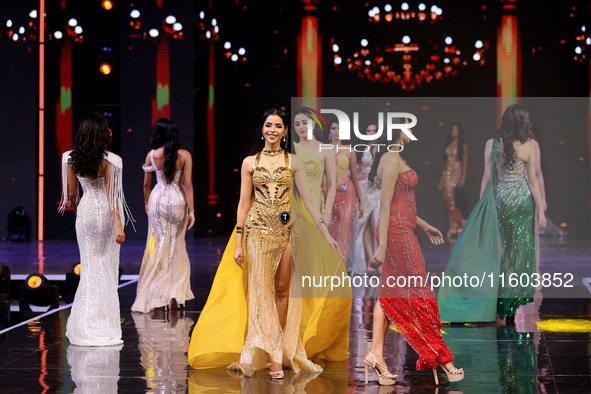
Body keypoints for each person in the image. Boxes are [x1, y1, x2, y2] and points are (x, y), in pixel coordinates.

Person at [188, 109, 348, 380]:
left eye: (278, 126)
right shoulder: (250, 162)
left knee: (283, 290)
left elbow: (309, 201)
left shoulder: (293, 162)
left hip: (286, 231)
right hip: (257, 232)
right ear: (261, 129)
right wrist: (238, 241)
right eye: (268, 125)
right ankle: (269, 353)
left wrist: (326, 233)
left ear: (285, 132)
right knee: (260, 292)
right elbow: (243, 203)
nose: (272, 130)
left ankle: (278, 352)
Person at [364, 119, 464, 386]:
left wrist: (425, 224)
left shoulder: (395, 157)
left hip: (403, 228)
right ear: (395, 129)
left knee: (389, 293)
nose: (412, 132)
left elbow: (401, 204)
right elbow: (385, 207)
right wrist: (383, 245)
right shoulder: (391, 159)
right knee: (419, 290)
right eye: (407, 127)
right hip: (395, 233)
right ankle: (441, 357)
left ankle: (375, 354)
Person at [438, 104, 547, 322]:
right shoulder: (528, 146)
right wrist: (541, 212)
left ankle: (496, 306)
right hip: (523, 203)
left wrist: (481, 206)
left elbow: (486, 178)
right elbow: (533, 179)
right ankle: (510, 303)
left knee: (500, 252)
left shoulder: (492, 144)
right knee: (519, 253)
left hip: (500, 202)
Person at [59, 113, 131, 346]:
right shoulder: (110, 160)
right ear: (102, 135)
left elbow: (71, 196)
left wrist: (80, 208)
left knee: (89, 266)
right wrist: (119, 226)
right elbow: (112, 197)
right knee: (106, 268)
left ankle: (85, 322)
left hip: (86, 210)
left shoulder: (70, 158)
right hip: (106, 215)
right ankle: (103, 322)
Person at [131, 118, 195, 313]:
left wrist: (146, 202)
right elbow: (188, 185)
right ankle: (178, 294)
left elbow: (145, 185)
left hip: (157, 201)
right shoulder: (184, 155)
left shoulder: (151, 155)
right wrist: (192, 211)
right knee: (176, 246)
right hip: (176, 201)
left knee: (160, 245)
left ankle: (162, 295)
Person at [324, 120, 364, 265]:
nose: (336, 131)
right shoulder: (323, 149)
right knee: (327, 230)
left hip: (347, 193)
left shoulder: (350, 150)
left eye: (339, 128)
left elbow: (354, 176)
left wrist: (361, 201)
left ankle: (340, 268)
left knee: (343, 232)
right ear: (329, 132)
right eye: (333, 128)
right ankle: (328, 266)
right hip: (326, 193)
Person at [348, 122, 381, 277]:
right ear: (364, 132)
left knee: (376, 224)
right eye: (369, 130)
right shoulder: (359, 148)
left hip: (378, 189)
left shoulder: (382, 148)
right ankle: (370, 261)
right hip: (364, 189)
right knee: (365, 223)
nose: (371, 132)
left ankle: (376, 260)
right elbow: (351, 170)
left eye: (374, 130)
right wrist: (359, 174)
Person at [438, 124, 468, 240]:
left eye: (456, 129)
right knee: (449, 199)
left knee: (449, 196)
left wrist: (463, 177)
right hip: (447, 172)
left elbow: (465, 162)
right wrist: (442, 178)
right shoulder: (449, 144)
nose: (454, 131)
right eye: (453, 129)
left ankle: (461, 220)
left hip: (456, 172)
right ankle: (453, 227)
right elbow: (446, 163)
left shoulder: (462, 145)